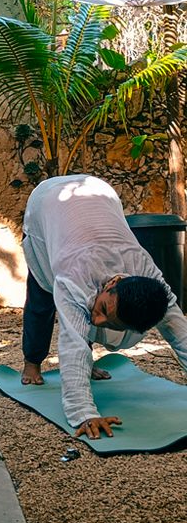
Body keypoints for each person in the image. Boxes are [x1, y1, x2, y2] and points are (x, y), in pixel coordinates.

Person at [19, 174, 187, 439]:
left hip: (99, 197)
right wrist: (84, 413)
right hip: (46, 204)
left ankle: (89, 364)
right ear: (113, 283)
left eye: (109, 322)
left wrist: (102, 314)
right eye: (105, 310)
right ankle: (31, 362)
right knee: (42, 298)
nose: (97, 321)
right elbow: (72, 342)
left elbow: (180, 333)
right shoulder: (72, 275)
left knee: (86, 312)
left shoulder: (148, 274)